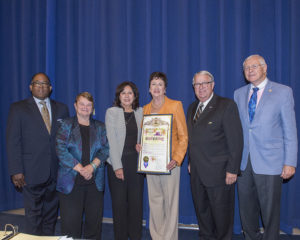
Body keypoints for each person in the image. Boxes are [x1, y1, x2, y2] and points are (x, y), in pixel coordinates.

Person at [234, 54, 298, 240]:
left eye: (254, 66)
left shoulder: (283, 92)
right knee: (246, 211)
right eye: (246, 67)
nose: (250, 70)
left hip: (271, 163)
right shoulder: (238, 94)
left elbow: (290, 130)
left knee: (270, 214)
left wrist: (290, 162)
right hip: (244, 163)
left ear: (265, 68)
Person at [6, 72, 69, 235]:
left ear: (50, 87)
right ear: (30, 87)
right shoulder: (18, 108)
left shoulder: (62, 109)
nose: (41, 86)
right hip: (30, 173)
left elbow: (66, 140)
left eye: (45, 83)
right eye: (37, 83)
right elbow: (13, 141)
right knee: (33, 218)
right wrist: (16, 170)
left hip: (55, 172)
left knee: (50, 216)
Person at [187, 70, 243, 240]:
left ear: (213, 85)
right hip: (196, 172)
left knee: (221, 217)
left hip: (219, 173)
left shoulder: (226, 105)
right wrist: (190, 161)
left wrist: (233, 170)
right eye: (197, 84)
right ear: (194, 87)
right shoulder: (191, 108)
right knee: (202, 213)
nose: (201, 87)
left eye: (205, 83)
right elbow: (193, 139)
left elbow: (236, 140)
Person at [56, 92, 109, 240]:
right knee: (70, 228)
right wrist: (80, 168)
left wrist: (92, 167)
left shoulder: (100, 127)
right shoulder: (66, 124)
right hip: (71, 184)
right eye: (82, 104)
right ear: (75, 106)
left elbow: (106, 149)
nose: (85, 107)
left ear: (93, 108)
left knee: (94, 227)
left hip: (94, 184)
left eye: (89, 105)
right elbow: (60, 148)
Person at [141, 72, 188, 240]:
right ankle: (157, 236)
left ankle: (169, 237)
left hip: (170, 164)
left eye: (160, 84)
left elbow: (183, 136)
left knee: (170, 203)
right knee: (154, 202)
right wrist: (141, 147)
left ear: (165, 88)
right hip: (151, 163)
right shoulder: (145, 109)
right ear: (149, 88)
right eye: (154, 84)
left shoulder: (175, 105)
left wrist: (177, 158)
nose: (157, 87)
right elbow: (144, 135)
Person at [105, 81, 144, 240]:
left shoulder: (141, 111)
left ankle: (135, 236)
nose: (127, 96)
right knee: (119, 205)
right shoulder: (111, 112)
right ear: (118, 96)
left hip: (136, 164)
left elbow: (146, 135)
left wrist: (142, 146)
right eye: (123, 93)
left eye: (130, 93)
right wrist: (117, 166)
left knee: (136, 205)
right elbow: (111, 141)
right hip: (117, 163)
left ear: (135, 96)